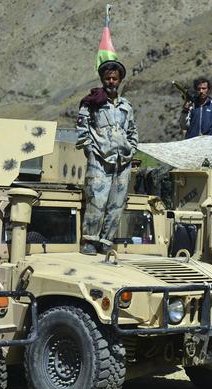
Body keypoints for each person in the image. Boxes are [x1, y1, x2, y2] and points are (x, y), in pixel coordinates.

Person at [76, 59, 138, 255]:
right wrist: (89, 150)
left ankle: (106, 241)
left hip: (123, 161)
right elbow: (82, 128)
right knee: (97, 201)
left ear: (119, 81)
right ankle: (89, 240)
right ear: (103, 79)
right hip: (100, 160)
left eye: (115, 78)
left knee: (116, 204)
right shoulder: (92, 103)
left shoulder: (126, 106)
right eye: (108, 78)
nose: (111, 81)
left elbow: (132, 130)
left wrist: (132, 148)